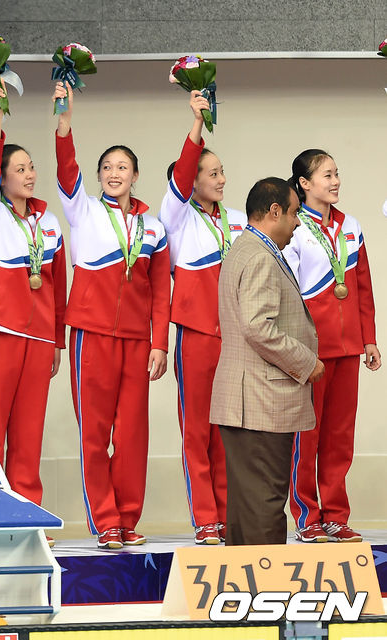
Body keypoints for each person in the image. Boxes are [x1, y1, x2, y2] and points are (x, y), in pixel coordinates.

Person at [54, 81, 171, 549]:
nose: (113, 173)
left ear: (135, 175)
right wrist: (64, 122)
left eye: (122, 167)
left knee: (133, 435)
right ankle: (105, 521)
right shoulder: (82, 211)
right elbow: (67, 170)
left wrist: (159, 343)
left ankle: (127, 517)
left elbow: (161, 291)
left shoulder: (153, 227)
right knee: (95, 433)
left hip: (138, 341)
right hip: (91, 334)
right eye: (106, 167)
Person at [0, 80, 66, 537]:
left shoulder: (48, 220)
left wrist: (58, 341)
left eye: (31, 167)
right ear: (2, 178)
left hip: (40, 337)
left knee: (29, 433)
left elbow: (59, 285)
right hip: (1, 332)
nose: (29, 174)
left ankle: (27, 516)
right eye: (19, 169)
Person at [210, 177, 323, 546]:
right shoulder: (260, 256)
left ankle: (245, 579)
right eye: (294, 213)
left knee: (248, 507)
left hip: (249, 401)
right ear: (275, 211)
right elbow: (258, 327)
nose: (298, 222)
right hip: (260, 402)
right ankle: (264, 579)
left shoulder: (246, 248)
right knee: (264, 505)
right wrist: (307, 362)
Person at [159, 90, 247, 544]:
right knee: (197, 431)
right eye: (212, 173)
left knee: (229, 432)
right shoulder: (176, 218)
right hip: (196, 336)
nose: (222, 179)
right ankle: (206, 518)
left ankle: (230, 516)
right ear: (191, 180)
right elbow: (182, 173)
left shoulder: (238, 220)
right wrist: (197, 123)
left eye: (222, 171)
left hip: (237, 339)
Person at [284, 150, 380, 543]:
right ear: (304, 184)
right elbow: (288, 292)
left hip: (348, 347)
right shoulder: (294, 228)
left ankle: (336, 515)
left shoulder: (350, 226)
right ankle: (307, 515)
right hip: (311, 350)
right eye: (327, 175)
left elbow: (362, 286)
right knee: (307, 435)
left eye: (336, 173)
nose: (336, 181)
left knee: (339, 438)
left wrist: (369, 338)